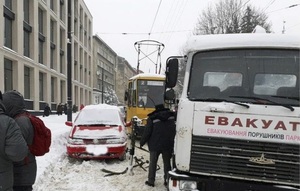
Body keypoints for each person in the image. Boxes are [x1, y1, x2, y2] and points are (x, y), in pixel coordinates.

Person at [2, 90, 37, 191]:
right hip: (24, 170)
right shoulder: (22, 118)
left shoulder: (20, 122)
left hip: (21, 173)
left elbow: (17, 149)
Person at [140, 104, 176, 187]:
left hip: (154, 145)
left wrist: (142, 142)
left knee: (153, 163)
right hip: (168, 144)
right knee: (167, 163)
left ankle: (151, 181)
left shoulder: (152, 118)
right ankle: (167, 181)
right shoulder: (171, 116)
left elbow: (147, 132)